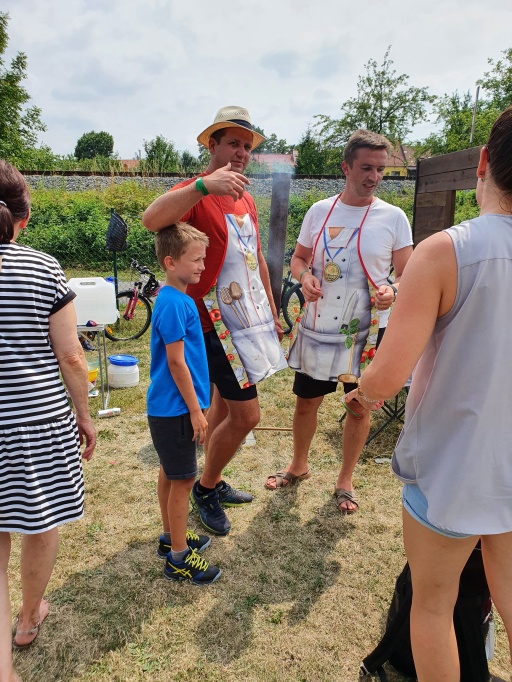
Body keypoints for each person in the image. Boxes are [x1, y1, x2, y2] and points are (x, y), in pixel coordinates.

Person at [344, 107, 512, 680]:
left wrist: (360, 394)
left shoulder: (445, 251)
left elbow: (388, 376)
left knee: (434, 605)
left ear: (483, 163)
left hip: (453, 465)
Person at [143, 106, 287, 536]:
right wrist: (204, 186)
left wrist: (271, 306)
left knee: (223, 406)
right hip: (210, 325)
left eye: (247, 146)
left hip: (246, 320)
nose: (242, 152)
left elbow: (254, 257)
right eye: (233, 144)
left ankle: (211, 479)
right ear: (212, 145)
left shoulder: (246, 198)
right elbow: (151, 220)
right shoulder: (195, 190)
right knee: (247, 417)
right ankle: (204, 488)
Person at [265, 130, 413, 514]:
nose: (374, 177)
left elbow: (407, 275)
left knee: (358, 407)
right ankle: (298, 465)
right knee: (305, 404)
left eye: (380, 169)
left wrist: (393, 291)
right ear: (346, 167)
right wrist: (304, 277)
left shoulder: (394, 218)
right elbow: (299, 259)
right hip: (319, 327)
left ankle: (345, 480)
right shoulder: (319, 211)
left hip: (365, 333)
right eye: (366, 168)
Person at [0, 161, 96, 682]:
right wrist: (85, 415)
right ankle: (28, 616)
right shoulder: (42, 268)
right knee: (39, 521)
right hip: (34, 423)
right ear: (25, 216)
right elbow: (72, 356)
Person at [147, 222, 221, 585]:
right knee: (184, 480)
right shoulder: (175, 304)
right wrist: (195, 410)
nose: (202, 267)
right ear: (170, 262)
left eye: (203, 260)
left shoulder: (174, 299)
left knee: (171, 472)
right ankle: (178, 557)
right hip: (176, 409)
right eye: (195, 260)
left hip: (169, 408)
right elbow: (177, 363)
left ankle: (169, 536)